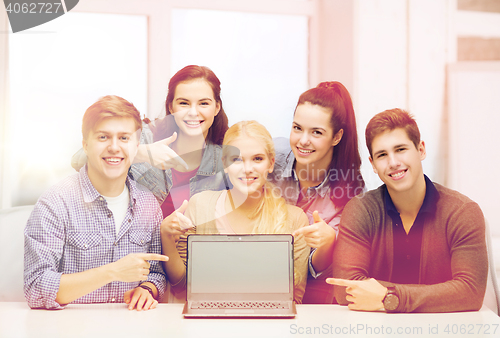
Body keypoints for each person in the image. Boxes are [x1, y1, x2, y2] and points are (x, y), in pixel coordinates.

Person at [328, 109, 487, 313]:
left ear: (421, 150)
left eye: (401, 149)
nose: (393, 162)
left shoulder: (462, 212)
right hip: (373, 330)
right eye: (382, 155)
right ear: (373, 165)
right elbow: (345, 289)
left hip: (444, 329)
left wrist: (390, 298)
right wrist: (442, 294)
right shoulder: (361, 210)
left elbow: (470, 293)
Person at [24, 95, 168, 310]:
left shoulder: (148, 203)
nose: (114, 147)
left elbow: (157, 273)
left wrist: (147, 288)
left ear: (136, 146)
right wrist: (112, 271)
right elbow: (36, 288)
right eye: (103, 137)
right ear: (85, 144)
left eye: (124, 138)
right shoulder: (55, 202)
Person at [161, 121, 310, 303]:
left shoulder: (295, 220)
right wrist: (166, 237)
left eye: (257, 159)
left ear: (270, 164)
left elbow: (295, 299)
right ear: (225, 163)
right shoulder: (200, 206)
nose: (247, 169)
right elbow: (181, 286)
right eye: (236, 159)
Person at [72, 65, 230, 218]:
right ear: (171, 107)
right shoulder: (145, 136)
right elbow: (79, 160)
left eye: (203, 103)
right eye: (184, 103)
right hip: (138, 244)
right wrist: (140, 153)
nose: (193, 112)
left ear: (216, 107)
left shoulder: (225, 157)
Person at [268, 82, 365, 303]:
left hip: (309, 294)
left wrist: (329, 243)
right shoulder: (270, 155)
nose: (303, 140)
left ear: (337, 137)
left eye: (316, 132)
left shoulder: (352, 196)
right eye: (297, 128)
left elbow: (314, 269)